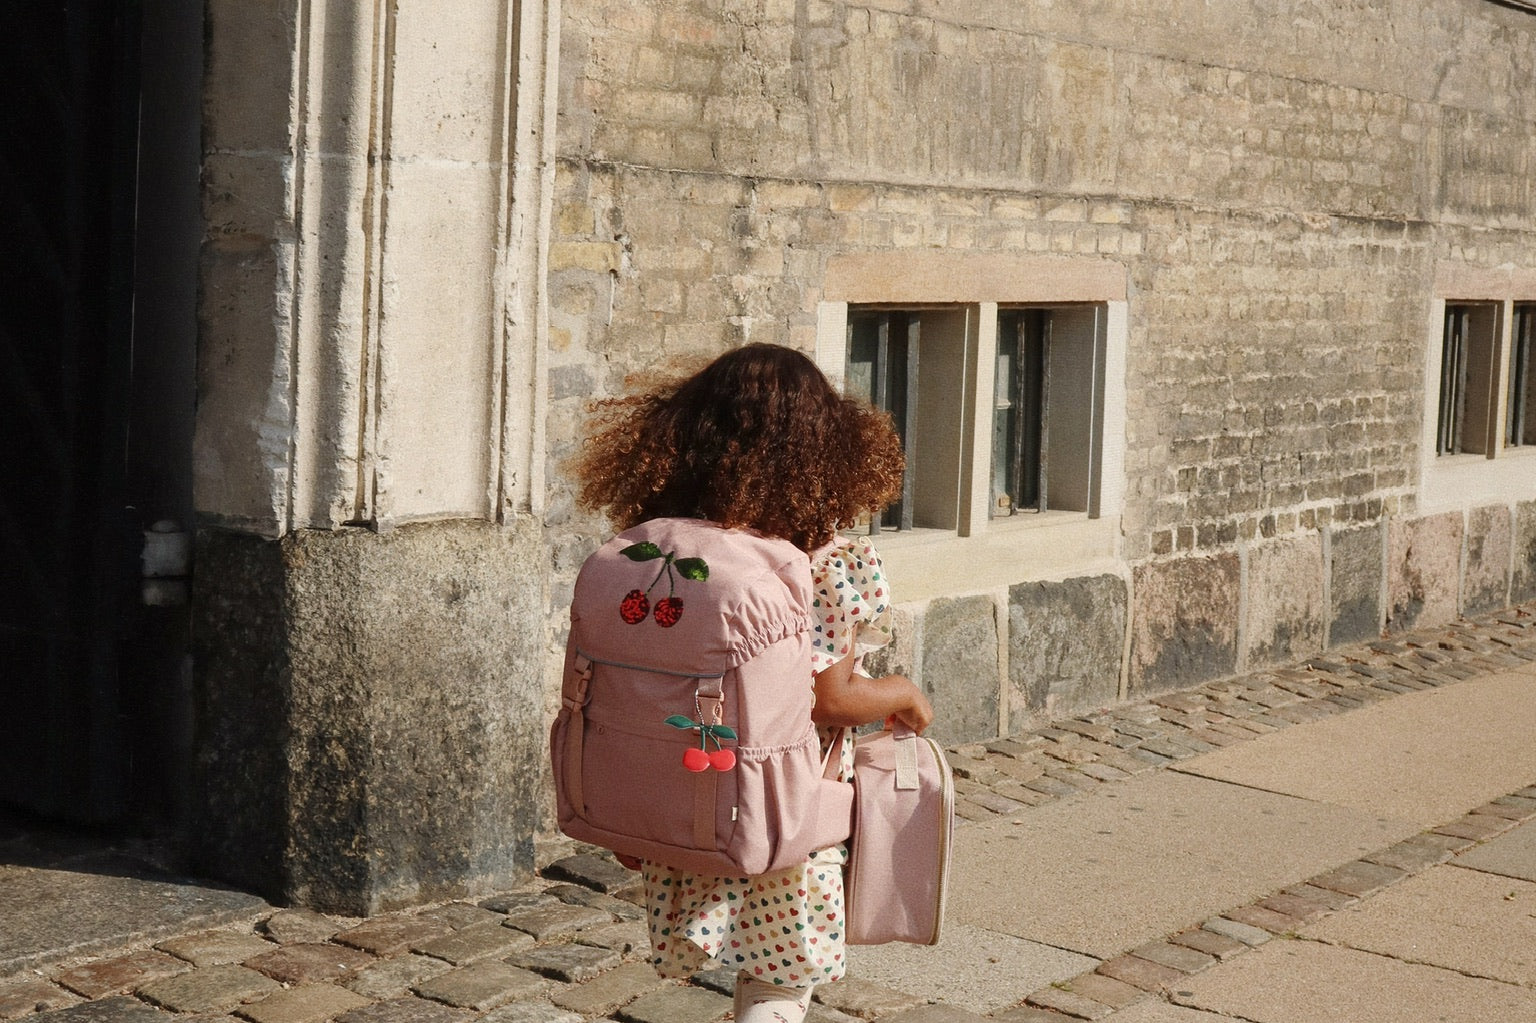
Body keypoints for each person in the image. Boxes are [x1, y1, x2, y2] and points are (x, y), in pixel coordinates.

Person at [571, 342, 935, 1023]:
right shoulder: (829, 561)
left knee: (756, 971)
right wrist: (904, 693)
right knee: (780, 981)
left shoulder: (670, 553)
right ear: (824, 451)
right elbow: (832, 697)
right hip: (786, 812)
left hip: (692, 795)